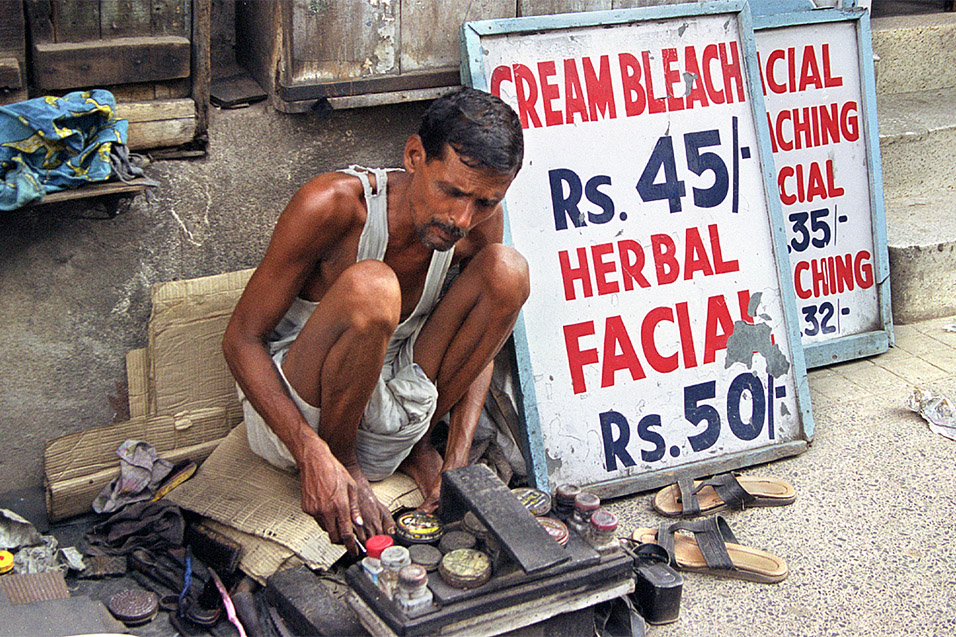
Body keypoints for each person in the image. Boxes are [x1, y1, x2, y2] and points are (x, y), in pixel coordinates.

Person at [222, 87, 528, 554]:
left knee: (508, 272)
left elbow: (482, 343)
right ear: (413, 156)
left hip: (396, 409)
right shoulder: (334, 204)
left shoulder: (477, 219)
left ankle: (418, 449)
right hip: (309, 412)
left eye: (485, 202)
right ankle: (347, 464)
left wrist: (457, 462)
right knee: (372, 287)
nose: (462, 218)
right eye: (451, 191)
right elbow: (241, 340)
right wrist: (312, 452)